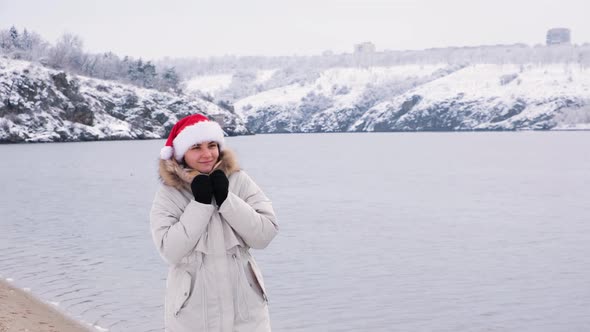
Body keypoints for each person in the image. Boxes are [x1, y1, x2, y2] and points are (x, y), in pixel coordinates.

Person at [150, 114, 278, 332]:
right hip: (193, 316)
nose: (207, 154)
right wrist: (200, 204)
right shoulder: (169, 193)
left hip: (247, 315)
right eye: (196, 147)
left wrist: (227, 199)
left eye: (212, 145)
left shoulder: (238, 180)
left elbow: (264, 235)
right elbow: (170, 251)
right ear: (182, 154)